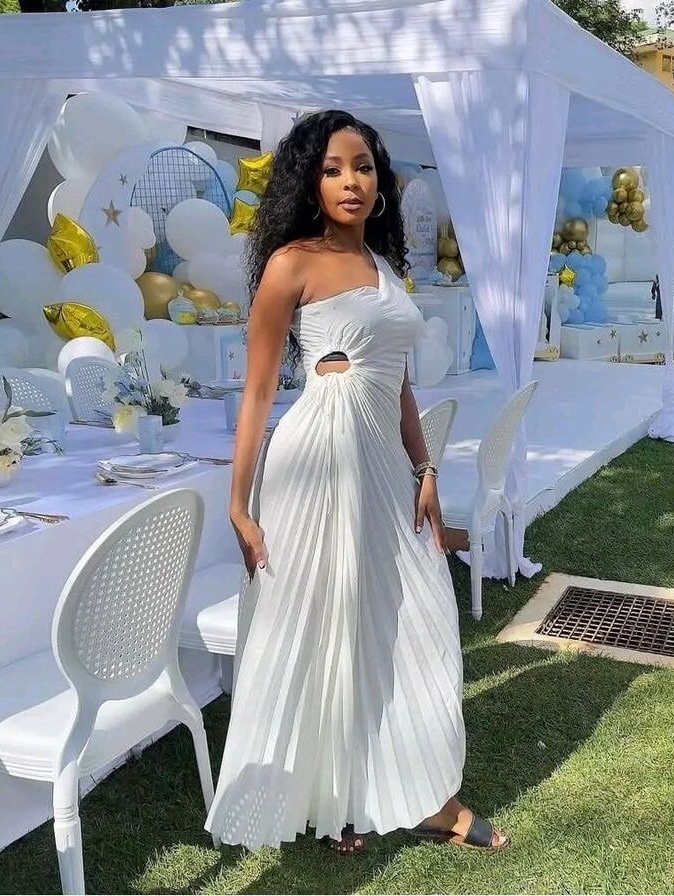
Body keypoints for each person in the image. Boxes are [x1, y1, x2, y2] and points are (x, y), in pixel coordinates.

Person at [205, 110, 509, 855]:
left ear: (380, 181)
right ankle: (334, 801)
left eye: (364, 167)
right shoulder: (291, 264)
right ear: (310, 180)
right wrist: (237, 504)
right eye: (334, 168)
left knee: (410, 615)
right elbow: (256, 393)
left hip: (382, 466)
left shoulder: (382, 264)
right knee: (325, 623)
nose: (351, 182)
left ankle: (423, 798)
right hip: (317, 462)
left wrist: (424, 467)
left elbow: (397, 380)